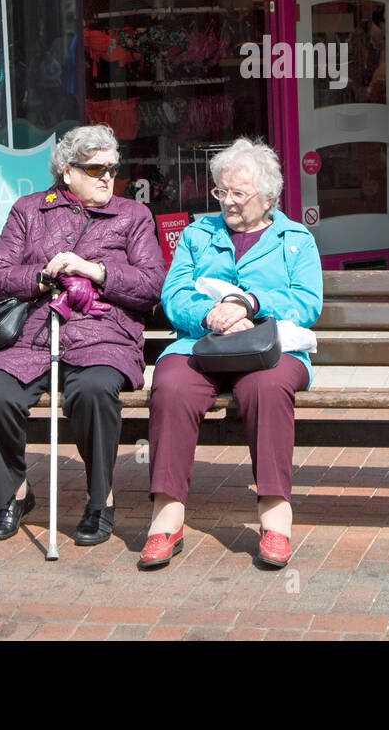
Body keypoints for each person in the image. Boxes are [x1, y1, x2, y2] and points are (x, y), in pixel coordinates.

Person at [0, 123, 165, 543]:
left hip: (104, 334)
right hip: (34, 337)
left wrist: (95, 271)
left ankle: (101, 499)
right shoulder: (29, 210)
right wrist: (41, 277)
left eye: (112, 168)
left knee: (93, 390)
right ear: (67, 172)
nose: (108, 177)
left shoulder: (133, 216)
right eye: (96, 169)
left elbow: (152, 283)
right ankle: (13, 493)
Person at [142, 137, 322, 571]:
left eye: (239, 194)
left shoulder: (295, 240)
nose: (227, 202)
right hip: (202, 342)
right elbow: (175, 294)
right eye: (221, 191)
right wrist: (211, 315)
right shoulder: (197, 234)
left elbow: (307, 302)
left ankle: (275, 518)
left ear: (269, 197)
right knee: (170, 387)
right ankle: (166, 519)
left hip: (267, 348)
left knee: (268, 387)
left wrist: (250, 305)